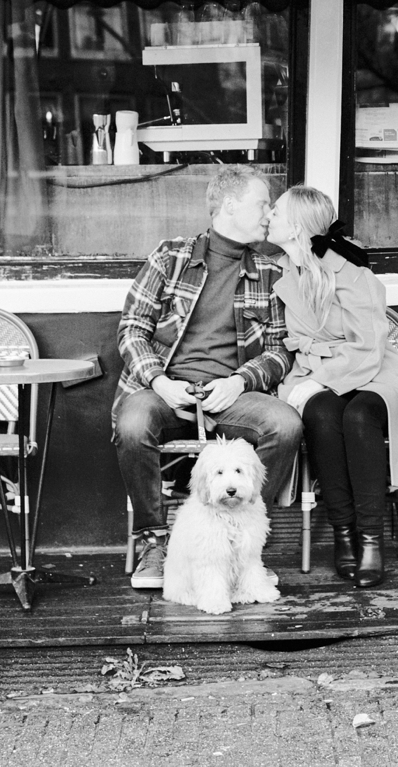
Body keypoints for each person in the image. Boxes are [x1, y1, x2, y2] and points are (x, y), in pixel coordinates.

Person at [113, 164, 303, 590]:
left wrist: (239, 381)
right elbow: (132, 329)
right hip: (165, 389)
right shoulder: (170, 257)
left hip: (232, 395)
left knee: (285, 424)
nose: (269, 214)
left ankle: (245, 543)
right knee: (132, 423)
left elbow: (280, 350)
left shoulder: (271, 273)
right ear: (230, 205)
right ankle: (155, 542)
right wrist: (160, 382)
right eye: (262, 204)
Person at [267, 185, 398, 588]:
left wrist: (318, 379)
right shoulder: (283, 270)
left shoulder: (351, 271)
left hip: (374, 373)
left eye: (275, 211)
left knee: (359, 415)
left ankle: (371, 540)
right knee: (321, 413)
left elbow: (368, 347)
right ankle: (343, 533)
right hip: (319, 374)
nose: (268, 216)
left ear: (295, 227)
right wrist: (312, 381)